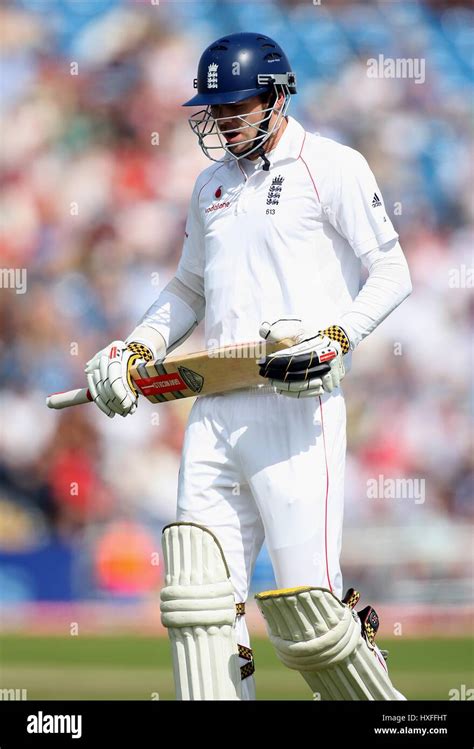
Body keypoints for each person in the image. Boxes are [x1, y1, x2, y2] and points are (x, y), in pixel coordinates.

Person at [85, 32, 412, 700]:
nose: (224, 120)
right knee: (201, 606)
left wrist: (337, 336)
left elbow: (392, 269)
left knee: (312, 620)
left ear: (276, 94)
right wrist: (137, 347)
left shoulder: (331, 164)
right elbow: (186, 290)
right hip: (213, 410)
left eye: (236, 105)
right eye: (216, 109)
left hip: (297, 406)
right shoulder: (209, 184)